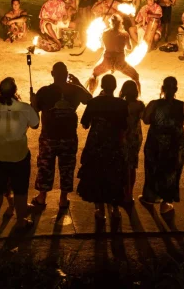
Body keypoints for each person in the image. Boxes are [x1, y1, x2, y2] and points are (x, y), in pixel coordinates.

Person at [0, 78, 40, 230]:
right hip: (20, 156)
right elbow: (36, 124)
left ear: (0, 90)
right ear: (15, 91)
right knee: (20, 190)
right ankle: (21, 221)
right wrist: (34, 104)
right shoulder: (25, 108)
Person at [30, 62, 92, 208]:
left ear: (52, 74)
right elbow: (90, 99)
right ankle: (63, 199)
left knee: (45, 166)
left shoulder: (44, 91)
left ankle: (41, 197)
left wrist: (33, 102)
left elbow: (35, 115)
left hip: (49, 137)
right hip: (68, 137)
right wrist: (79, 83)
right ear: (66, 74)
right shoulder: (75, 90)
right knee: (67, 168)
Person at [77, 74, 129, 220]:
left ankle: (99, 210)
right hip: (114, 145)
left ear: (102, 87)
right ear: (115, 87)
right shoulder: (121, 104)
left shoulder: (94, 103)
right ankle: (115, 209)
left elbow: (85, 124)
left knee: (97, 175)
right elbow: (124, 127)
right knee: (114, 175)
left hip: (96, 145)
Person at [139, 77, 184, 215]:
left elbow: (146, 120)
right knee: (171, 171)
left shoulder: (154, 104)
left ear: (162, 88)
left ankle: (150, 197)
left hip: (156, 142)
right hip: (175, 143)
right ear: (176, 90)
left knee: (153, 169)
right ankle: (166, 203)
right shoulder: (182, 105)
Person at [87, 14, 141, 95]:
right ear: (120, 23)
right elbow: (129, 47)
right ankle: (136, 97)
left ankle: (90, 94)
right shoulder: (124, 34)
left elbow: (103, 45)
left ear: (111, 23)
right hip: (120, 63)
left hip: (107, 62)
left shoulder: (105, 33)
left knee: (94, 74)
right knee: (136, 77)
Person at [119, 80, 145, 203]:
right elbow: (145, 119)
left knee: (123, 165)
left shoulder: (121, 104)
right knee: (132, 165)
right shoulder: (140, 105)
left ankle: (124, 192)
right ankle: (130, 193)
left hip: (123, 136)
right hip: (135, 137)